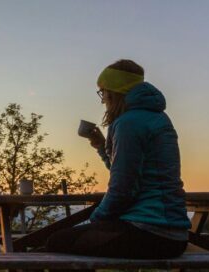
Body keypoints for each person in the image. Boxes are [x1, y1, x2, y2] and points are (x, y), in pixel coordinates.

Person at [45, 59, 190, 259]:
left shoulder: (129, 123)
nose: (102, 99)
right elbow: (127, 173)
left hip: (151, 233)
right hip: (173, 232)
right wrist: (101, 147)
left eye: (103, 92)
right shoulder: (157, 117)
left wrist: (96, 219)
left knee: (56, 243)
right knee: (60, 242)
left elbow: (122, 189)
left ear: (113, 92)